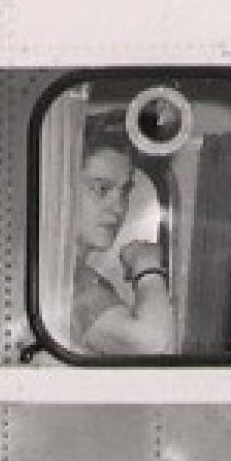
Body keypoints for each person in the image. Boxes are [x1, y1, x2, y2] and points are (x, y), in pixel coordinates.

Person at [69, 116, 177, 354]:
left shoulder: (76, 273)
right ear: (61, 188)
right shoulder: (64, 279)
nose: (118, 208)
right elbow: (153, 344)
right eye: (101, 189)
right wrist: (147, 265)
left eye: (125, 191)